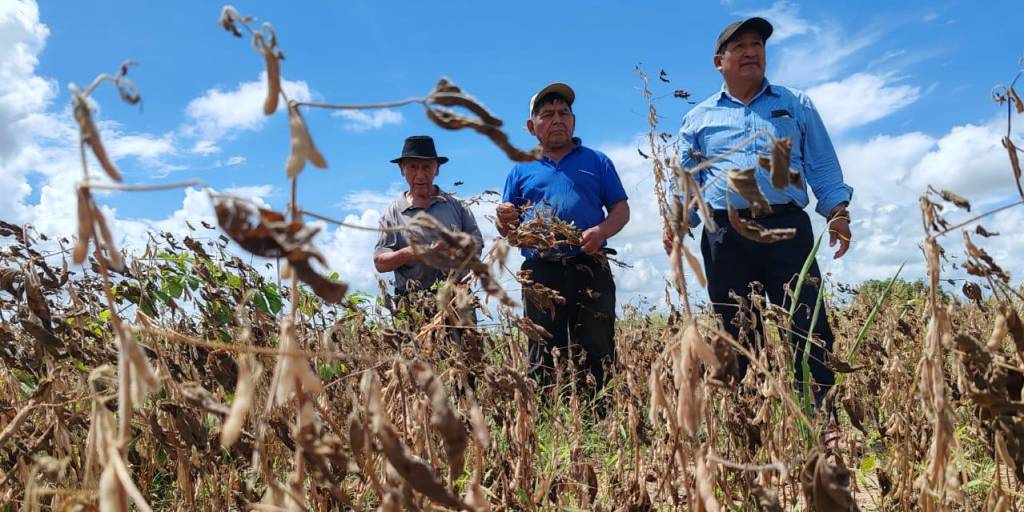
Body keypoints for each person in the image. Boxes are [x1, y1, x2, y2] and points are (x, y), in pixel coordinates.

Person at [671, 17, 853, 411]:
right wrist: (679, 221)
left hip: (786, 225)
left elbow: (820, 162)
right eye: (740, 47)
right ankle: (750, 415)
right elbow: (687, 180)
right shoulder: (699, 118)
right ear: (719, 62)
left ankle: (822, 415)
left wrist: (837, 210)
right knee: (736, 327)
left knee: (806, 321)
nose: (752, 51)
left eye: (758, 44)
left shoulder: (793, 104)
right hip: (726, 234)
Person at [496, 83, 630, 395]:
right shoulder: (520, 170)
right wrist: (504, 221)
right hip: (541, 271)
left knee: (596, 344)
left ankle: (598, 417)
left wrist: (601, 231)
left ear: (573, 120)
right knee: (542, 347)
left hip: (590, 264)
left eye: (563, 113)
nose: (557, 119)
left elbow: (621, 210)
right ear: (532, 127)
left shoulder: (597, 162)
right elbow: (511, 232)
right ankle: (547, 421)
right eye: (548, 114)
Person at [374, 135, 484, 296]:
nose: (420, 175)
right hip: (412, 303)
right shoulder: (392, 214)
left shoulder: (457, 207)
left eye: (426, 167)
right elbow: (380, 263)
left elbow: (477, 247)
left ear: (437, 169)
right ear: (401, 170)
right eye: (413, 167)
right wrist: (412, 253)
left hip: (456, 298)